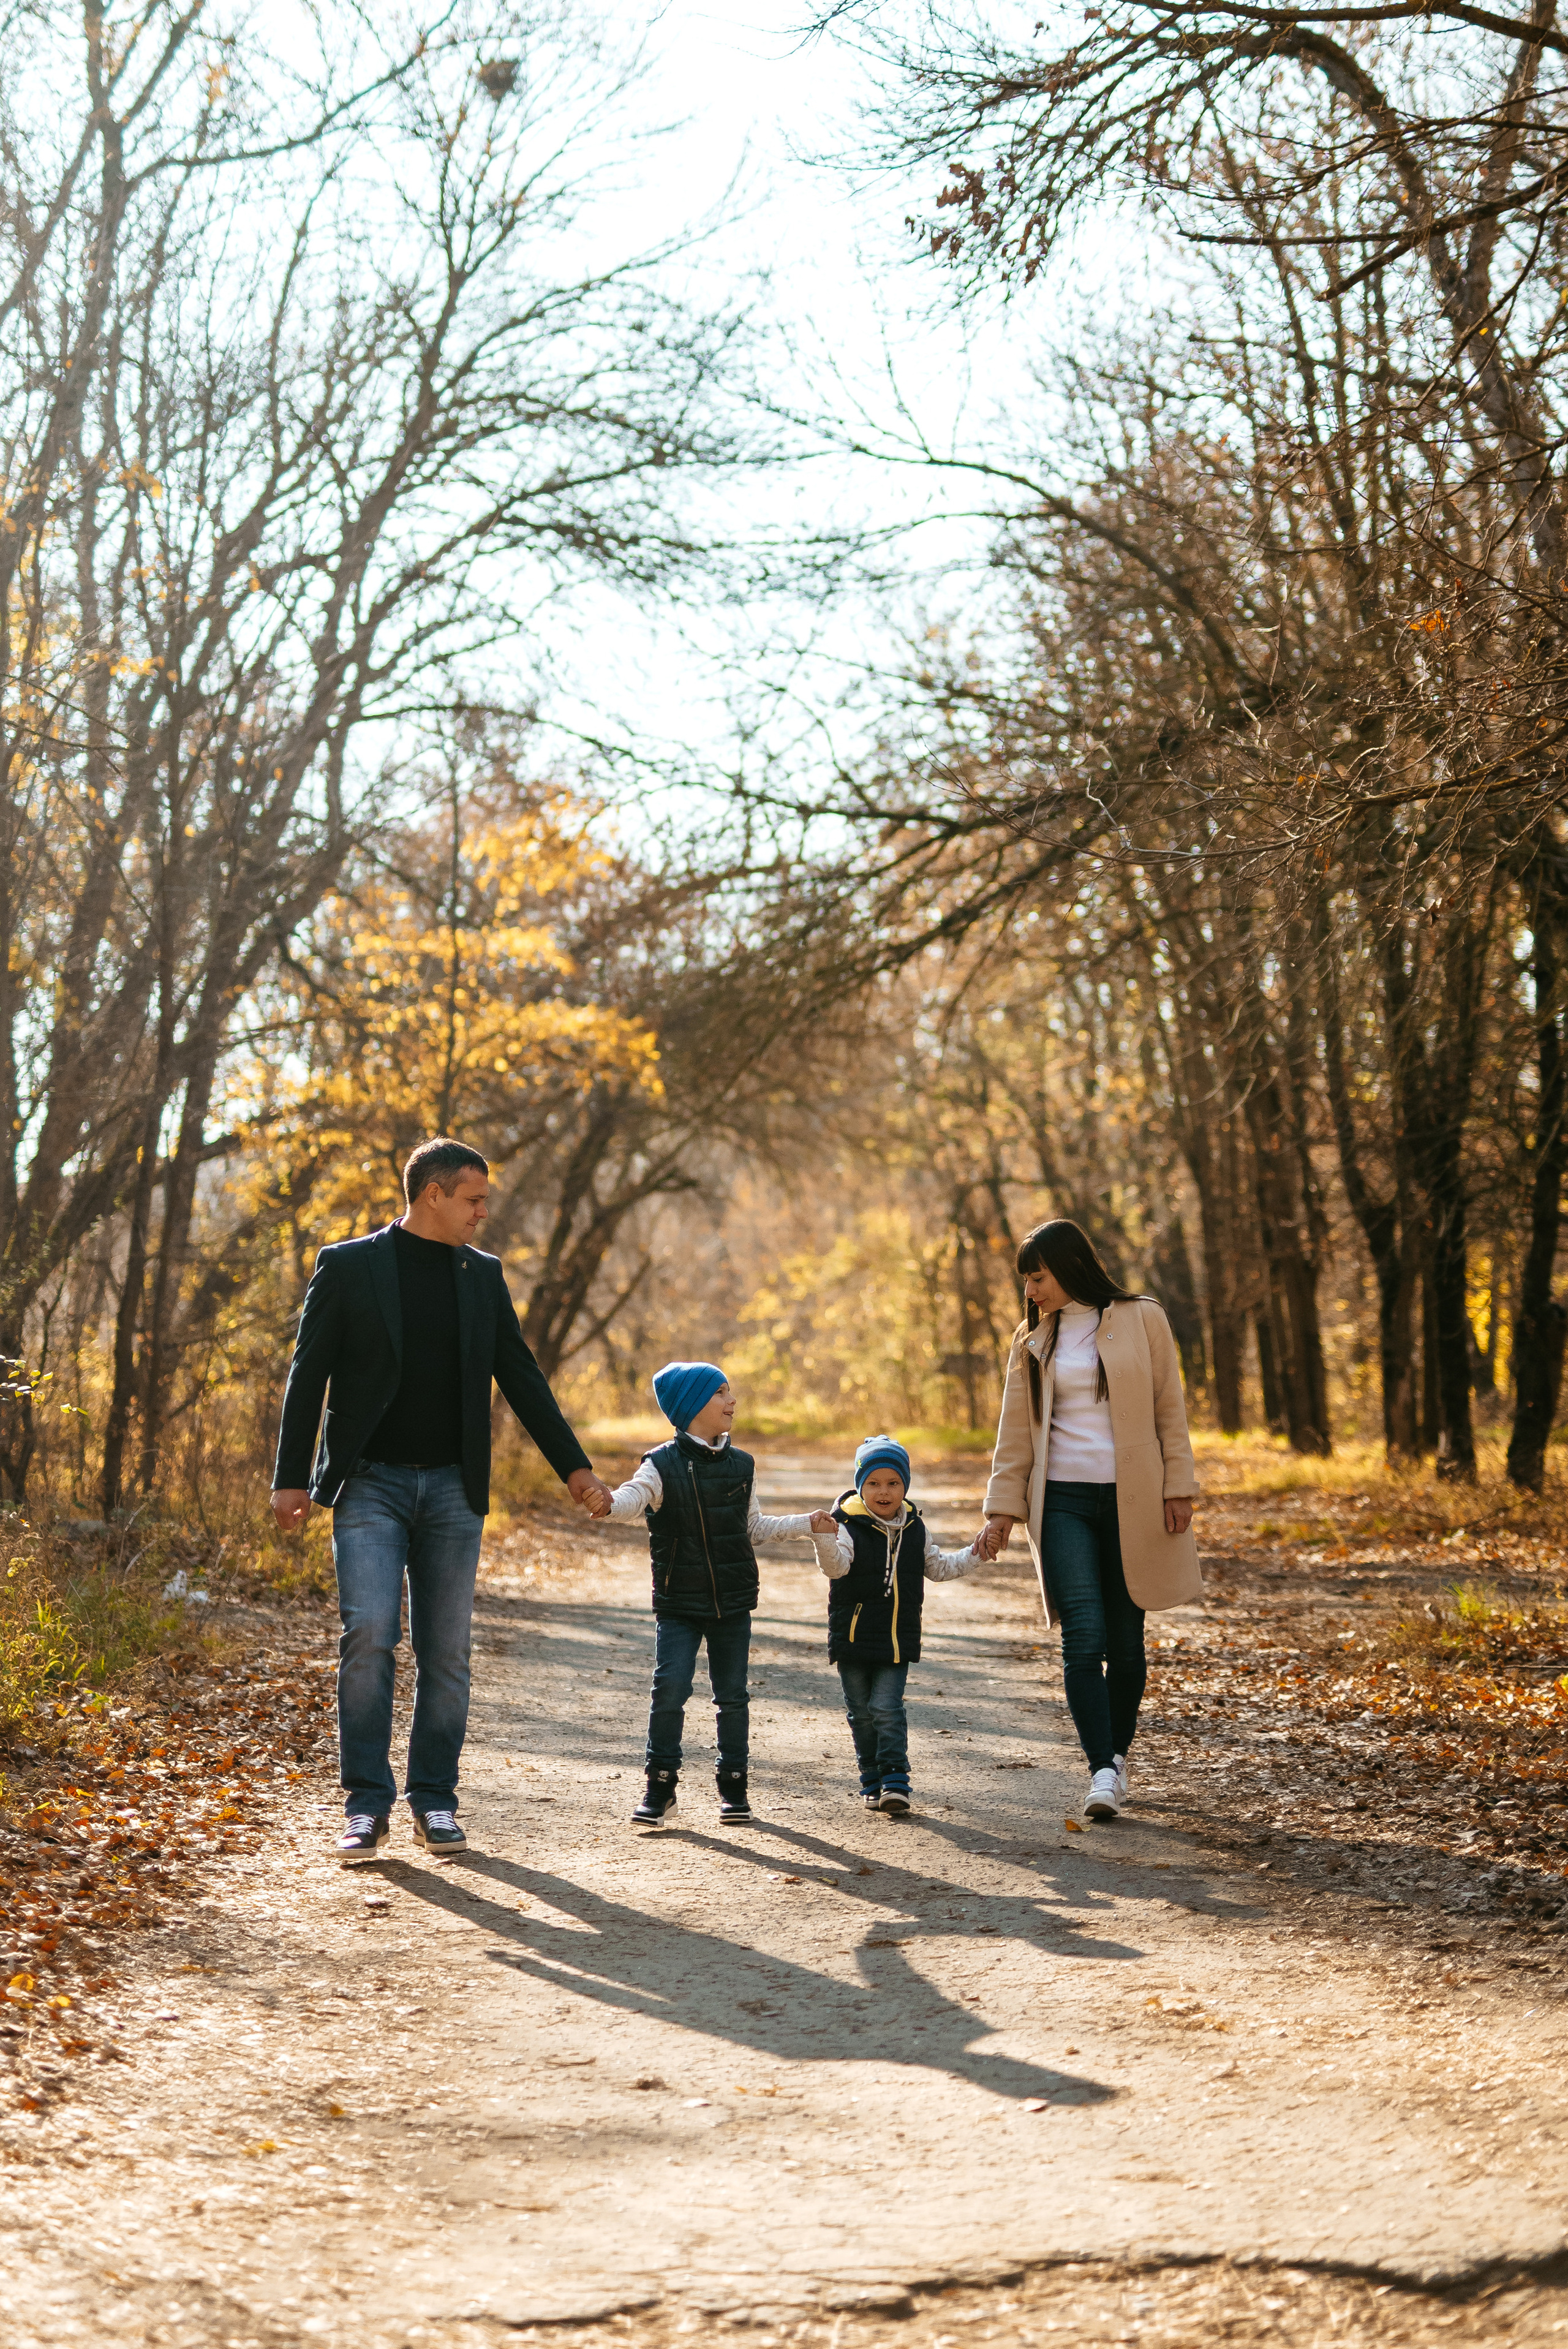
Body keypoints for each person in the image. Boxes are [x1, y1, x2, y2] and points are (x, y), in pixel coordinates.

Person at [270, 1137, 612, 1866]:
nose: (484, 1213)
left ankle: (435, 1801)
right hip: (370, 1484)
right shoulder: (349, 1266)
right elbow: (309, 1376)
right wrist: (290, 1476)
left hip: (455, 1489)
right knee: (369, 1636)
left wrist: (574, 1470)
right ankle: (366, 1807)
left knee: (447, 1651)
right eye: (474, 1199)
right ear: (432, 1194)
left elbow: (520, 1375)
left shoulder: (481, 1276)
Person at [980, 1218, 1200, 1822]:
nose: (1031, 1292)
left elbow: (1168, 1407)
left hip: (1133, 1501)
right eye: (1027, 1281)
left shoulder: (1143, 1318)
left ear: (1070, 1267)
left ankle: (1116, 1755)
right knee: (1084, 1634)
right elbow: (1015, 1436)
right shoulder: (1030, 1341)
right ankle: (1101, 1769)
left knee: (1127, 1648)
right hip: (1063, 1504)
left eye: (1038, 1277)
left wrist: (1178, 1486)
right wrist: (1001, 1511)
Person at [603, 1361, 821, 1829]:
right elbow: (631, 1499)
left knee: (733, 1697)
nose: (732, 1401)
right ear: (693, 1406)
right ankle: (660, 1788)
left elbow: (754, 1527)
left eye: (730, 1392)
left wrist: (807, 1524)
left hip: (732, 1601)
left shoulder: (742, 1465)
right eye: (721, 1393)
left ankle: (734, 1788)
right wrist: (606, 1503)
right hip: (679, 1603)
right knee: (670, 1691)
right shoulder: (658, 1465)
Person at [809, 1434, 985, 1816]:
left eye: (893, 1483)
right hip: (853, 1637)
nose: (883, 1492)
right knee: (860, 1711)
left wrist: (976, 1553)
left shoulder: (916, 1529)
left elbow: (939, 1568)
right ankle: (870, 1778)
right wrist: (824, 1539)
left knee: (886, 1707)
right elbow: (836, 1567)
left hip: (894, 1641)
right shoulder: (846, 1525)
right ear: (860, 1486)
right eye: (873, 1483)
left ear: (905, 1486)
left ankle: (894, 1778)